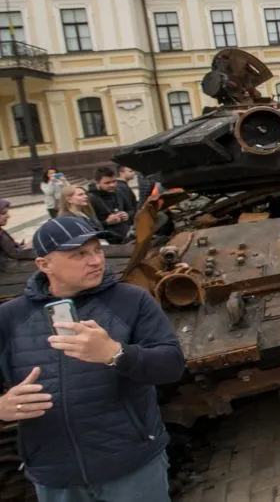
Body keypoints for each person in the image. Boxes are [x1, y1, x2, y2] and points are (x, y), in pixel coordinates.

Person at [0, 215, 185, 500]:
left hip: (131, 466)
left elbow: (171, 366)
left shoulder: (131, 300)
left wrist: (115, 354)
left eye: (97, 249)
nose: (96, 260)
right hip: (56, 477)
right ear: (44, 264)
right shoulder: (10, 318)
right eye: (79, 254)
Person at [87, 167, 135, 243]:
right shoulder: (90, 199)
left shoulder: (118, 192)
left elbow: (132, 210)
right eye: (107, 183)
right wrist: (107, 222)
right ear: (97, 182)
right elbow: (88, 226)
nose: (112, 185)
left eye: (114, 181)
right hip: (108, 242)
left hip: (126, 237)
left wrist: (127, 215)